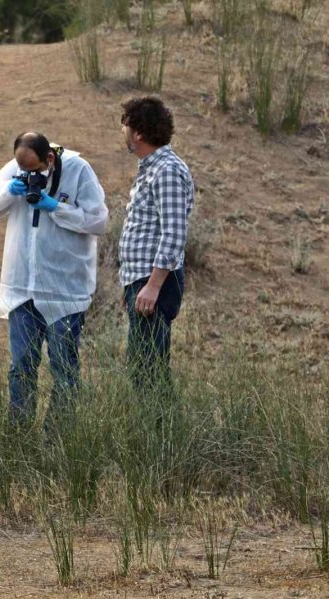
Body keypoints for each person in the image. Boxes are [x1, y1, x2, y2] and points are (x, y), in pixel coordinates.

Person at [0, 132, 108, 426]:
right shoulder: (18, 167)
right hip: (21, 290)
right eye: (23, 170)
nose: (30, 175)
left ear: (50, 158)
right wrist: (11, 189)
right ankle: (19, 436)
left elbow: (98, 221)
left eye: (35, 170)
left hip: (64, 291)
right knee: (20, 368)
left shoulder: (78, 170)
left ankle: (59, 439)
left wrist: (55, 208)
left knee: (64, 370)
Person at [118, 96, 195, 391]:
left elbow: (173, 232)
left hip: (155, 282)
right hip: (142, 281)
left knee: (148, 372)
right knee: (143, 369)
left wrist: (152, 286)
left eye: (125, 125)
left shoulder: (166, 170)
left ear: (138, 132)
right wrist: (132, 285)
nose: (122, 131)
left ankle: (162, 422)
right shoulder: (152, 168)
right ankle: (156, 420)